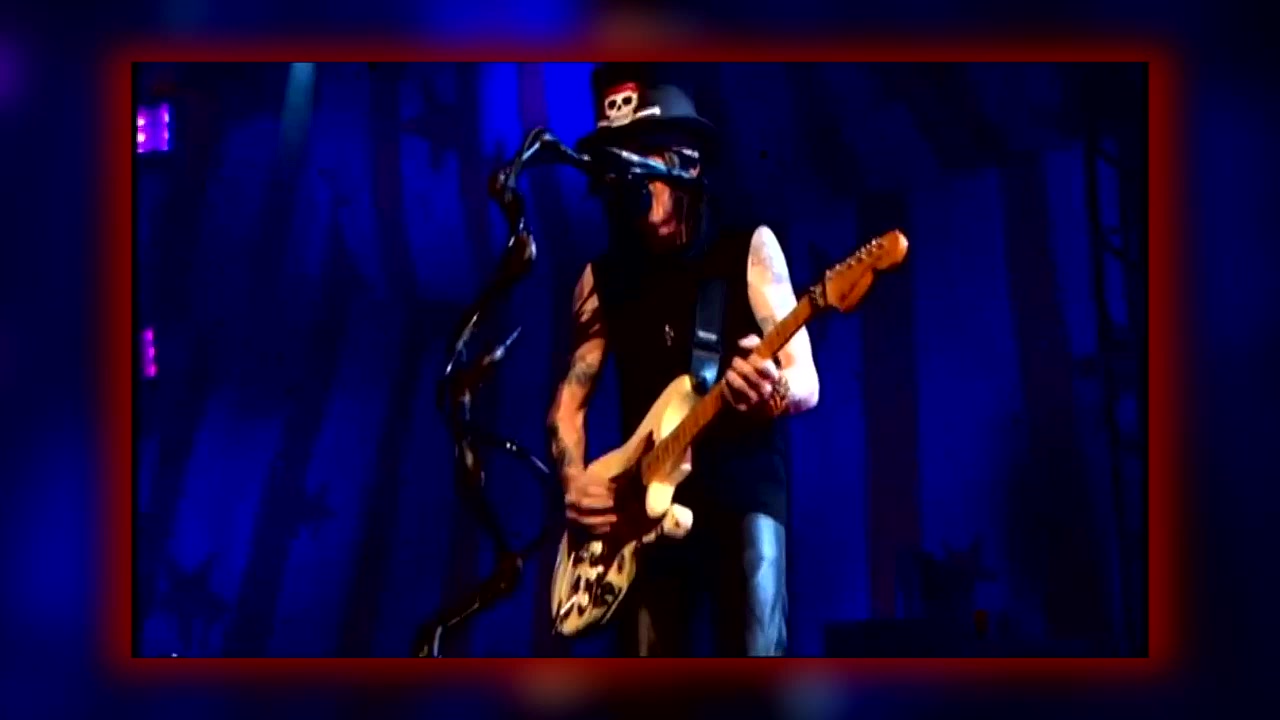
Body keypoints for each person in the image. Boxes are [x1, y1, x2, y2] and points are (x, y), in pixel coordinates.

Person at [546, 63, 820, 657]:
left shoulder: (748, 250)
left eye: (643, 159)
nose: (629, 183)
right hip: (643, 508)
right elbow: (570, 401)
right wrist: (575, 480)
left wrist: (771, 390)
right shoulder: (600, 280)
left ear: (684, 163)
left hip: (743, 495)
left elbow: (807, 381)